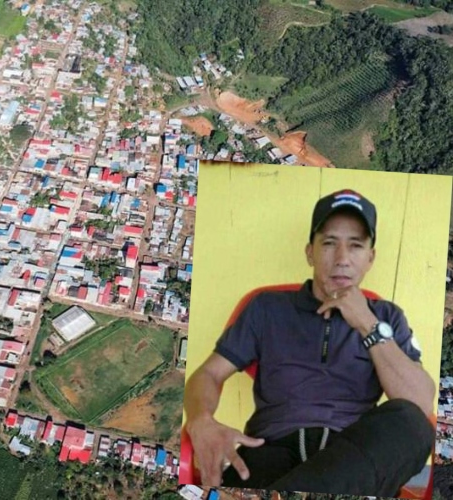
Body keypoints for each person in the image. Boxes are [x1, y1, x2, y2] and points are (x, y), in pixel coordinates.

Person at [183, 189, 436, 497]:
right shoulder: (267, 307)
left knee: (412, 424)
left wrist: (366, 323)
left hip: (354, 453)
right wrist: (201, 419)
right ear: (309, 253)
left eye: (355, 245)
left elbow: (418, 405)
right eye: (329, 243)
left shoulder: (386, 317)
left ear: (370, 258)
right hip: (271, 450)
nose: (342, 259)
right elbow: (209, 374)